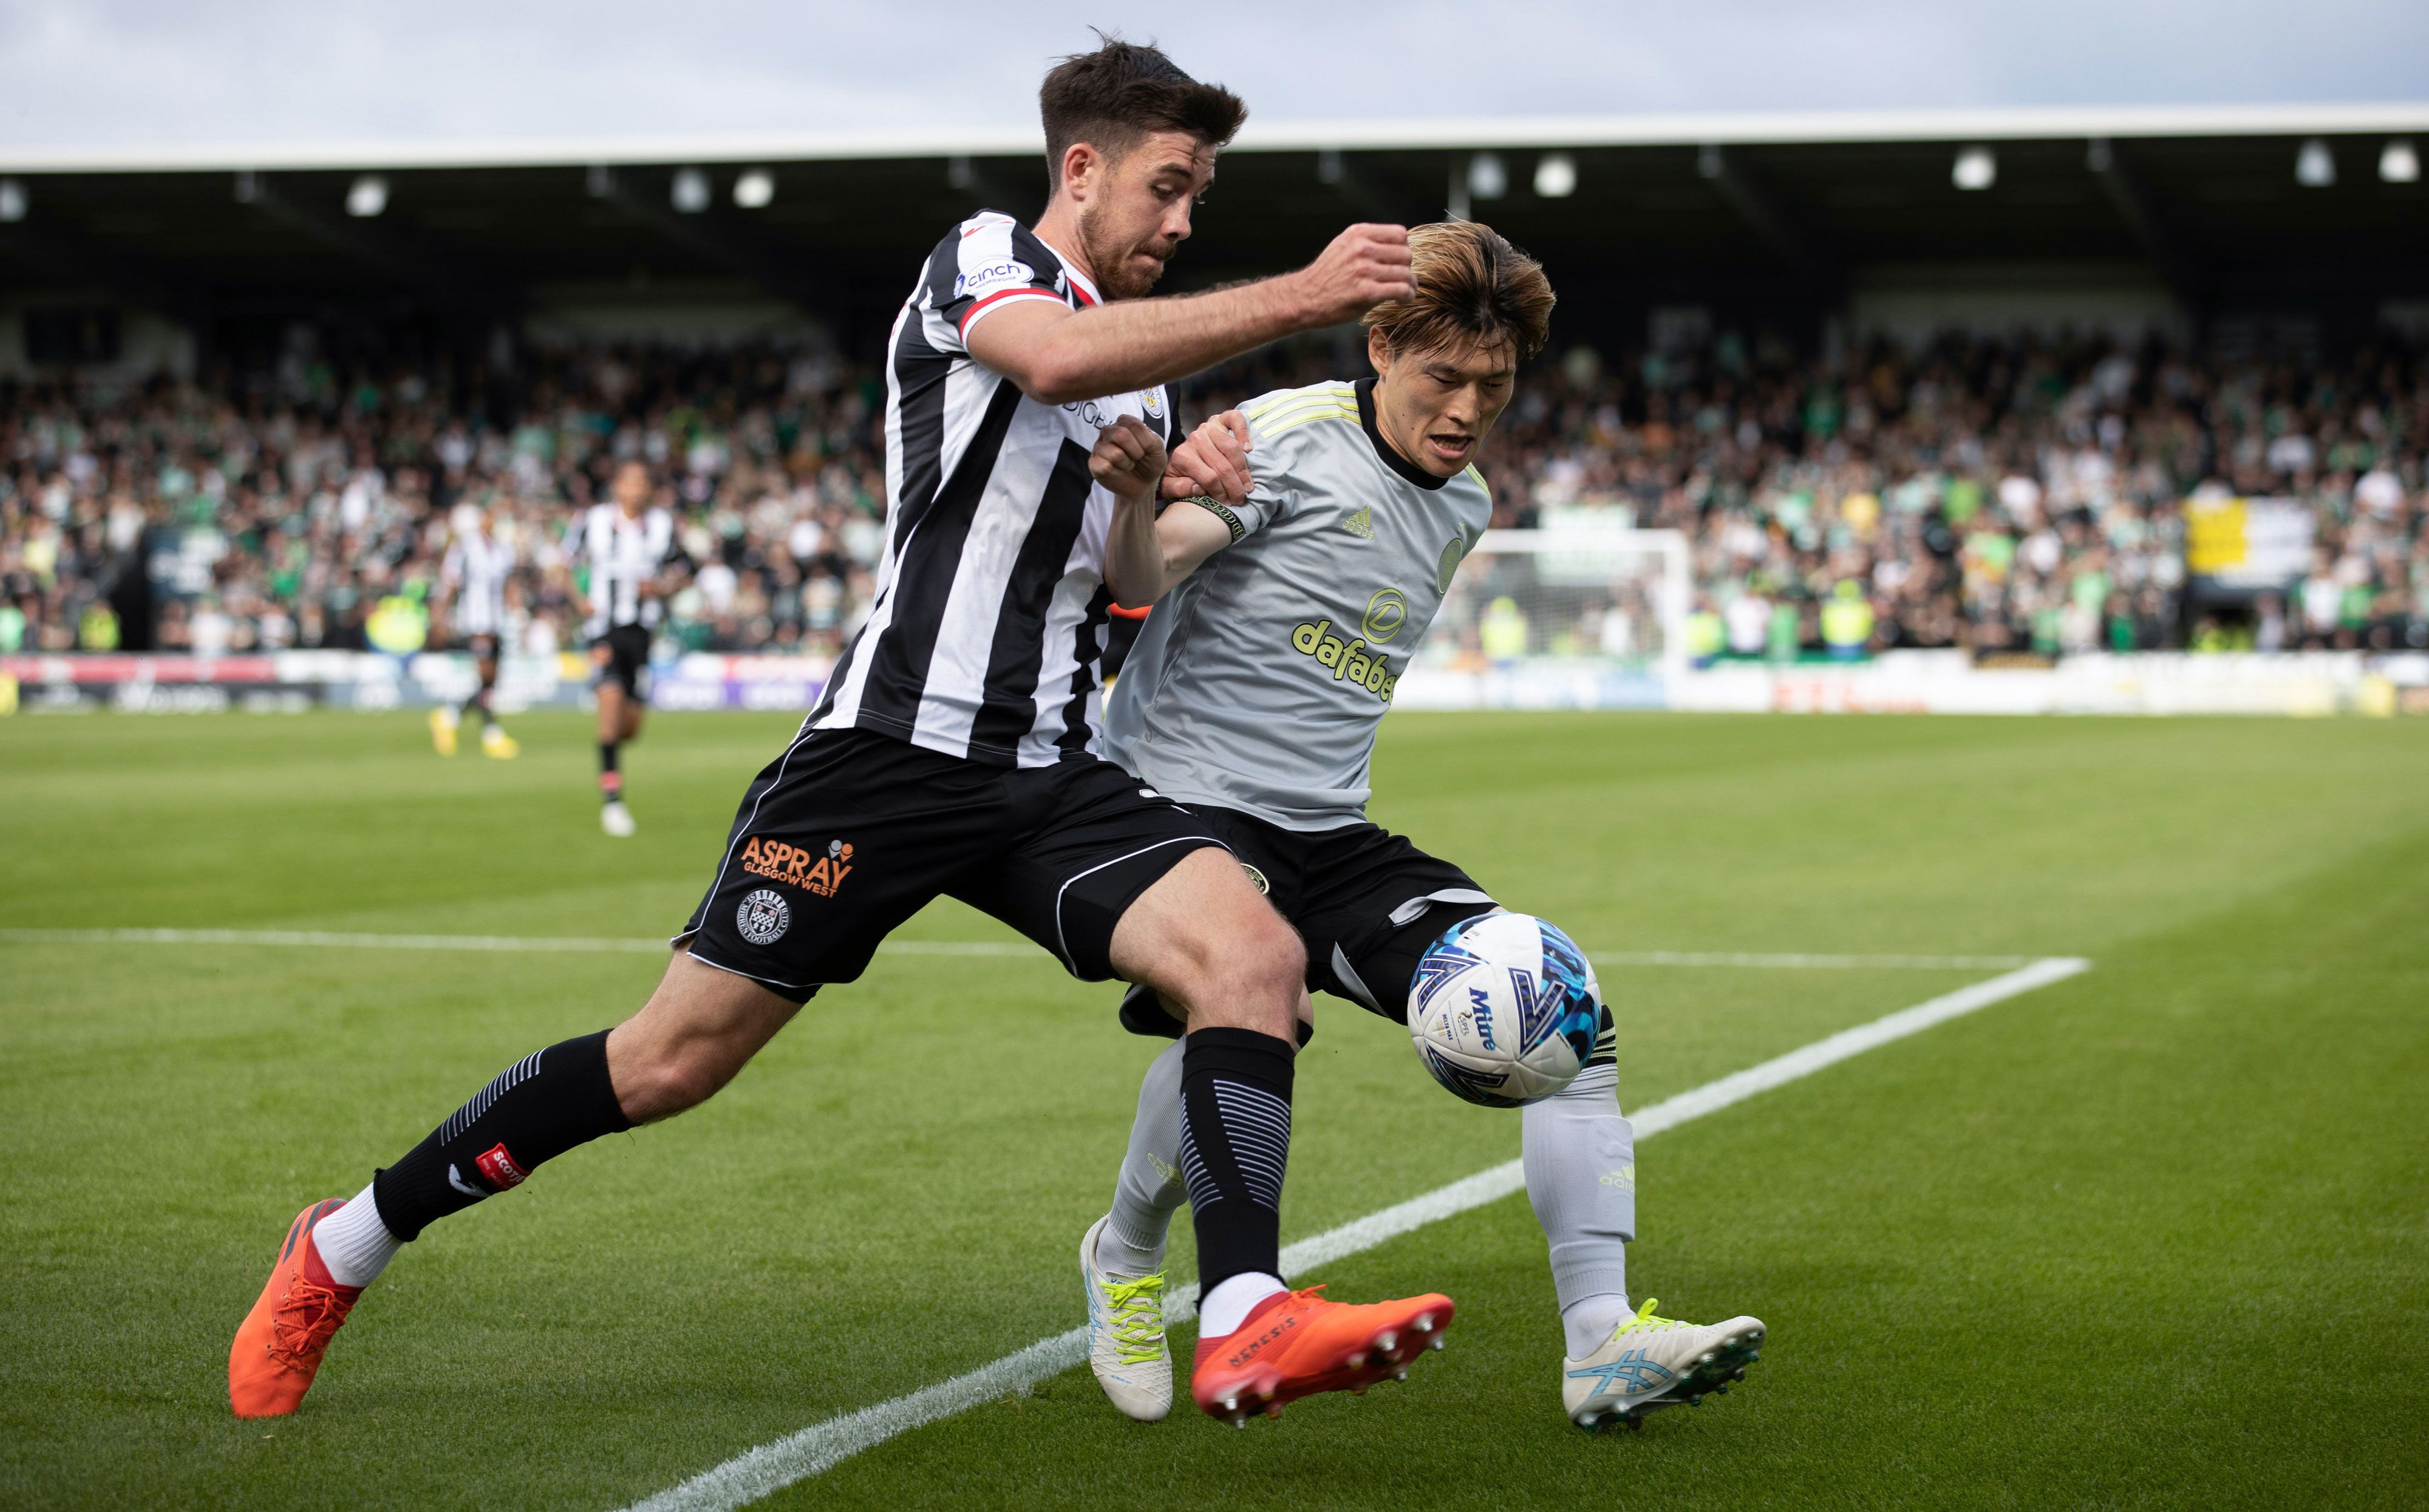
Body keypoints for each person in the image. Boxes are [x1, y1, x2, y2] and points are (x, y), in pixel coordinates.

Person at [230, 36, 1453, 1428]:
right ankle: (345, 1241)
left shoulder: (1144, 381)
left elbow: (1118, 585)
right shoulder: (987, 262)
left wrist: (1156, 490)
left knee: (1253, 955)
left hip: (1048, 765)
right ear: (1081, 167)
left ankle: (1241, 1314)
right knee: (671, 1060)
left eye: (1200, 200)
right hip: (883, 754)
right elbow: (1046, 359)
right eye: (1169, 188)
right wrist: (1303, 295)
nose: (1183, 223)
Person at [1078, 221, 1765, 1430]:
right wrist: (1142, 501)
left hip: (1326, 831)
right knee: (1254, 1005)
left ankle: (1601, 1341)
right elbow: (1144, 573)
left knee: (1566, 1009)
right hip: (1176, 802)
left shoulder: (1468, 501)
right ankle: (1127, 1261)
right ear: (1380, 345)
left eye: (1491, 388)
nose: (1463, 410)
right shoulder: (1292, 443)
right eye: (1440, 378)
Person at [574, 462, 683, 836]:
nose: (636, 488)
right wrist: (578, 600)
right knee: (609, 705)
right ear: (617, 486)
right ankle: (613, 802)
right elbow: (560, 564)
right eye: (629, 481)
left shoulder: (662, 527)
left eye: (643, 481)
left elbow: (684, 570)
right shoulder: (594, 521)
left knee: (630, 727)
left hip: (642, 633)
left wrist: (663, 589)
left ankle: (608, 750)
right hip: (603, 628)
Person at [428, 495, 520, 759]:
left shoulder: (502, 550)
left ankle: (449, 716)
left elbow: (508, 584)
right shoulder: (465, 549)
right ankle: (492, 734)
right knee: (485, 676)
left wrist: (517, 613)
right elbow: (450, 584)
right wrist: (439, 617)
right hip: (475, 620)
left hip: (496, 621)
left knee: (490, 681)